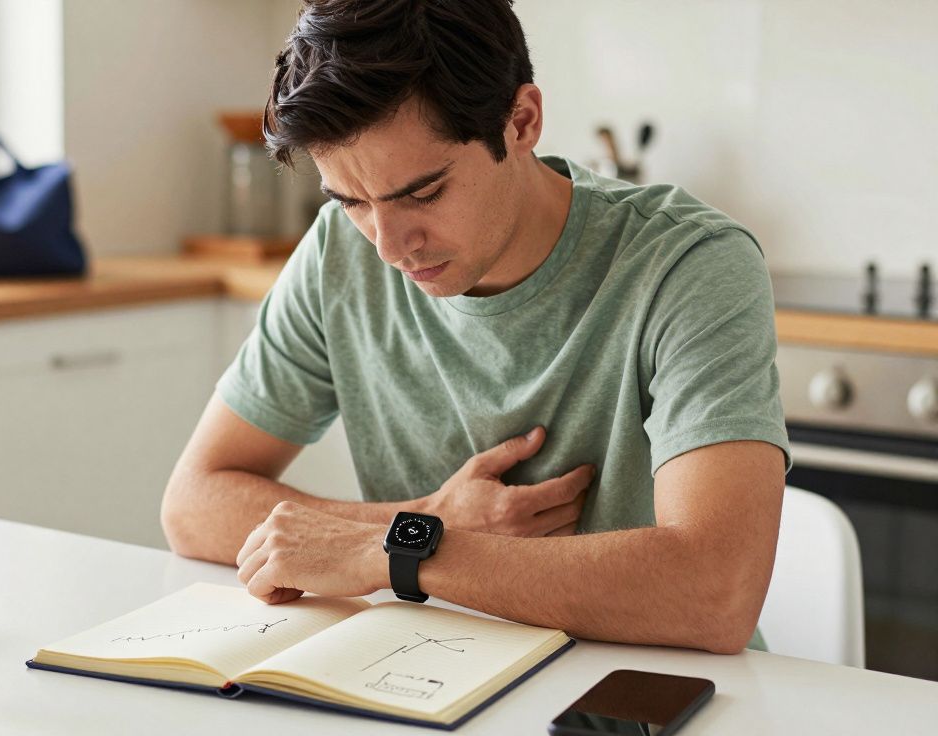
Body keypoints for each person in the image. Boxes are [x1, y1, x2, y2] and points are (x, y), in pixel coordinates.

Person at [161, 0, 789, 654]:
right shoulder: (338, 256)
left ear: (521, 122)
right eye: (350, 202)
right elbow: (194, 502)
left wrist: (402, 547)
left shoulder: (689, 264)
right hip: (431, 677)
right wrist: (429, 520)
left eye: (423, 193)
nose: (387, 246)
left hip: (641, 697)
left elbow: (715, 592)